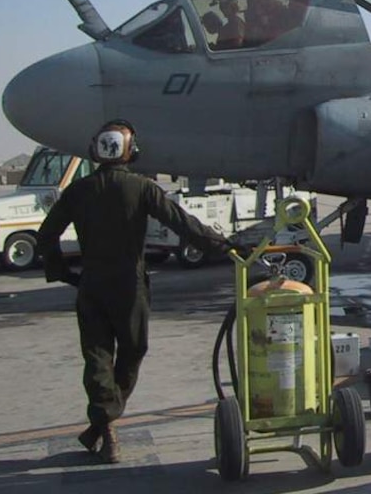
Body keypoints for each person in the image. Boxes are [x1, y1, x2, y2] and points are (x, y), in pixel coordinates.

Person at [36, 120, 230, 463]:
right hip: (131, 286)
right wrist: (223, 246)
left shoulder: (78, 191)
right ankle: (106, 423)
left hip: (92, 284)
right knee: (132, 350)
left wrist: (64, 273)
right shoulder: (142, 188)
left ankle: (102, 424)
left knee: (97, 356)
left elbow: (46, 236)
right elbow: (182, 223)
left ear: (96, 150)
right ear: (131, 152)